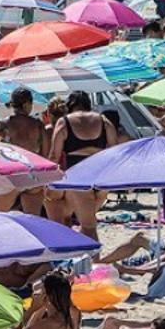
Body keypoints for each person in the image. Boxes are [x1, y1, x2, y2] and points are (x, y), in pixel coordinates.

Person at [48, 91, 115, 240]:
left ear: (70, 106)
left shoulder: (64, 122)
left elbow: (54, 156)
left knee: (88, 226)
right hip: (101, 176)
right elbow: (114, 150)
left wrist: (47, 179)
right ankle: (84, 256)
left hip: (79, 176)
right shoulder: (103, 121)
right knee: (88, 220)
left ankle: (94, 262)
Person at [0, 87, 46, 215]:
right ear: (27, 104)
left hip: (12, 173)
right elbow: (45, 153)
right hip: (33, 173)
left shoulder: (4, 123)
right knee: (33, 219)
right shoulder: (37, 124)